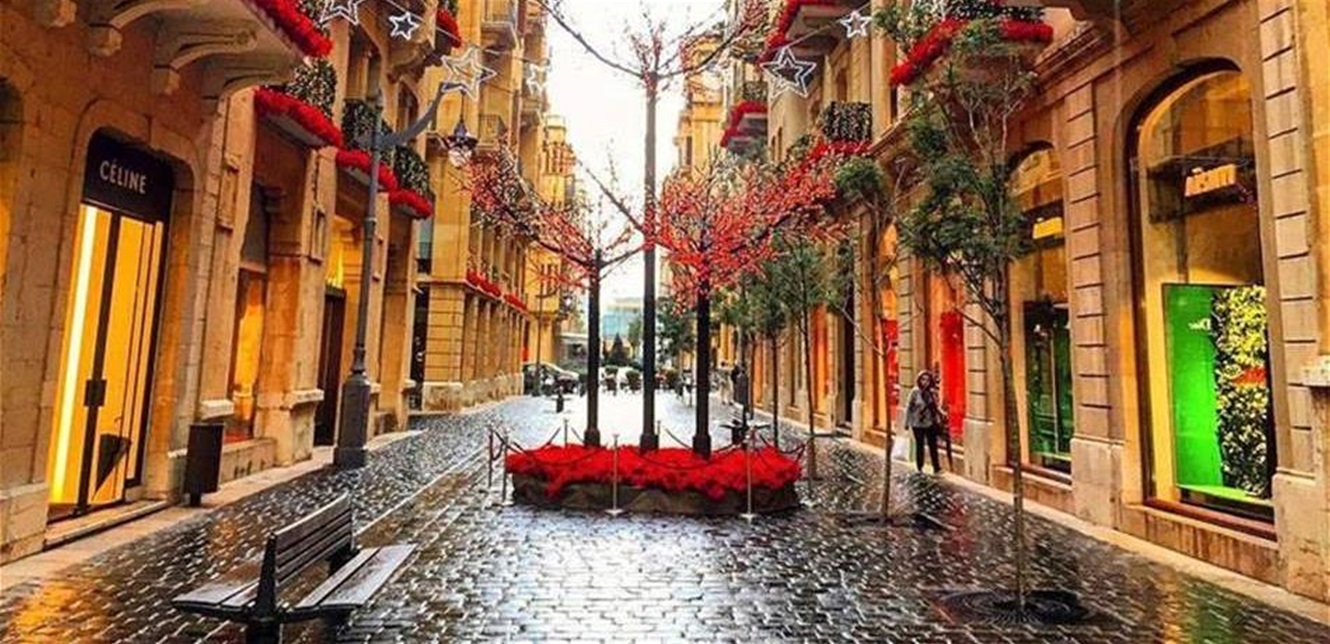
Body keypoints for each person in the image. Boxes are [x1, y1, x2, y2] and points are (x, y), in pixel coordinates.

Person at [904, 370, 945, 474]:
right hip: (917, 423)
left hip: (929, 422)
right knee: (920, 445)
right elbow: (909, 407)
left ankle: (936, 467)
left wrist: (942, 413)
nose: (925, 382)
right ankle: (919, 467)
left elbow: (936, 406)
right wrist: (906, 422)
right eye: (923, 379)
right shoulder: (915, 392)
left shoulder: (932, 392)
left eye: (927, 380)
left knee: (933, 445)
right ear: (919, 380)